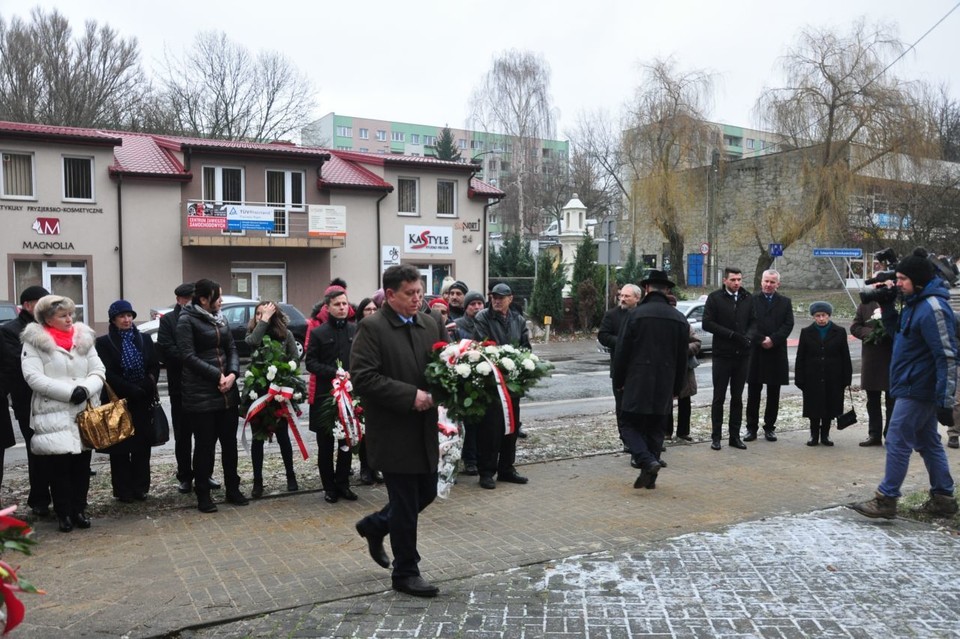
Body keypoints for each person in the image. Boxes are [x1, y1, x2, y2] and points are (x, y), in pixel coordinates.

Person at [352, 264, 446, 598]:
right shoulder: (372, 327)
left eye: (419, 292)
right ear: (390, 295)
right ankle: (405, 573)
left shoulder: (430, 323)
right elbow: (363, 377)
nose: (417, 299)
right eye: (410, 294)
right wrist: (410, 396)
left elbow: (442, 365)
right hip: (393, 430)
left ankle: (375, 525)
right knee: (405, 505)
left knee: (427, 493)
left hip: (425, 429)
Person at [853, 249, 959, 519]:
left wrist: (946, 401)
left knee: (898, 438)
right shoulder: (915, 303)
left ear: (919, 280)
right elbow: (899, 336)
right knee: (928, 442)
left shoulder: (933, 308)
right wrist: (888, 307)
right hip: (910, 383)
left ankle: (887, 499)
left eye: (902, 279)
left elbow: (946, 356)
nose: (896, 283)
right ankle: (943, 498)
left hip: (919, 388)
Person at [20, 295, 105, 532]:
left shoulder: (83, 337)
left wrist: (85, 389)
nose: (69, 319)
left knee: (82, 466)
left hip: (83, 412)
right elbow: (33, 377)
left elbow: (98, 369)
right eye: (63, 315)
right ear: (47, 318)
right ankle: (63, 513)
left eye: (71, 314)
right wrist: (69, 392)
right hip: (53, 414)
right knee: (59, 469)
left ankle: (79, 510)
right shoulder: (34, 342)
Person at [176, 279, 248, 513]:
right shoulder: (186, 320)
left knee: (229, 444)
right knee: (205, 446)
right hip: (202, 394)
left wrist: (233, 374)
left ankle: (233, 489)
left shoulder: (221, 318)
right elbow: (187, 355)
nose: (221, 301)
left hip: (227, 392)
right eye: (217, 297)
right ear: (203, 299)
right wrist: (217, 376)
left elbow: (232, 349)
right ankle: (203, 494)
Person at [612, 271, 689, 490]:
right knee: (656, 428)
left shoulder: (635, 316)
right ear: (667, 291)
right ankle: (650, 476)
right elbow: (682, 358)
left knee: (628, 424)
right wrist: (677, 386)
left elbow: (622, 352)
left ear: (646, 289)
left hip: (637, 380)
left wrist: (619, 380)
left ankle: (647, 461)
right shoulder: (678, 318)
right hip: (665, 381)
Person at [95, 300, 160, 503]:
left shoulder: (143, 339)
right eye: (122, 316)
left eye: (129, 316)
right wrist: (130, 389)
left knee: (142, 446)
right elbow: (107, 373)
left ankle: (140, 487)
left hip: (143, 400)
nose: (127, 319)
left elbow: (153, 366)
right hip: (118, 401)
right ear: (113, 319)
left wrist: (147, 385)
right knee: (121, 449)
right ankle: (123, 489)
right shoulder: (105, 343)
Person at [158, 283, 220, 494]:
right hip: (181, 387)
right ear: (180, 299)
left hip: (204, 385)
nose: (193, 302)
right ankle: (185, 476)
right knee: (183, 435)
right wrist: (193, 360)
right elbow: (168, 349)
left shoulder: (204, 317)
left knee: (207, 435)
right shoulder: (168, 320)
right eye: (189, 298)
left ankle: (206, 473)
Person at [471, 282, 531, 489]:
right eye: (493, 297)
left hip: (512, 383)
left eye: (501, 297)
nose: (496, 300)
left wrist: (521, 365)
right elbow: (483, 344)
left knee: (511, 427)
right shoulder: (483, 317)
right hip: (492, 382)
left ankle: (507, 468)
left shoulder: (518, 320)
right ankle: (486, 472)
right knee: (490, 429)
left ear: (510, 299)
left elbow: (525, 347)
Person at [0, 285, 50, 513]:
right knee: (37, 451)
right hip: (28, 401)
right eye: (43, 302)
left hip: (56, 398)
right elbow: (16, 364)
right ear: (29, 305)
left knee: (57, 452)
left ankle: (61, 497)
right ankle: (39, 500)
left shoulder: (51, 325)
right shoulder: (10, 331)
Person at [306, 289, 358, 504]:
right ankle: (329, 487)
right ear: (328, 307)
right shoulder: (319, 333)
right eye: (337, 304)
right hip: (325, 397)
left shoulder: (355, 330)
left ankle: (343, 483)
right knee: (326, 445)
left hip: (349, 396)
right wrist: (333, 372)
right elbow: (310, 363)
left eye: (345, 304)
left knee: (347, 442)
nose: (342, 308)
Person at [245, 301, 301, 498]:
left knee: (283, 436)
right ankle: (258, 481)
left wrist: (284, 373)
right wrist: (263, 322)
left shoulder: (286, 335)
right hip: (259, 393)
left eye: (266, 313)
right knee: (258, 438)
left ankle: (291, 476)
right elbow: (252, 344)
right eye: (258, 314)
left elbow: (295, 358)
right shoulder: (254, 334)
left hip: (279, 392)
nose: (262, 317)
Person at [702, 267, 753, 450]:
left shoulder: (747, 297)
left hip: (742, 355)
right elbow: (707, 323)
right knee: (719, 397)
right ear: (725, 280)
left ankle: (734, 436)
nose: (737, 283)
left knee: (737, 397)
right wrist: (731, 335)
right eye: (733, 280)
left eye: (739, 279)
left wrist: (748, 336)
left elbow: (754, 321)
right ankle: (716, 436)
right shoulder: (715, 298)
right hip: (723, 354)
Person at [744, 270, 794, 443]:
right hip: (756, 352)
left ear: (778, 284)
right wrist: (760, 339)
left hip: (776, 351)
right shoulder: (751, 300)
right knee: (753, 392)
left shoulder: (785, 302)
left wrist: (773, 339)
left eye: (772, 282)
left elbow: (788, 324)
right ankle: (751, 428)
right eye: (766, 281)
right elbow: (747, 323)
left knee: (774, 393)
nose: (768, 285)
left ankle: (770, 428)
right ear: (761, 282)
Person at [794, 302, 853, 446]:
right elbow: (800, 356)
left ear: (829, 316)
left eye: (824, 315)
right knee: (814, 407)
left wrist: (846, 378)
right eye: (817, 316)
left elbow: (845, 356)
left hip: (833, 376)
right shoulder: (806, 332)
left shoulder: (838, 331)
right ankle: (814, 435)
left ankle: (825, 435)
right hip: (812, 376)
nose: (821, 319)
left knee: (830, 406)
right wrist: (799, 378)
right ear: (813, 317)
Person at [598, 284, 642, 452]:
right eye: (621, 296)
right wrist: (622, 342)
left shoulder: (642, 313)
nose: (622, 299)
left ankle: (640, 438)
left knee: (638, 406)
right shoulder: (612, 315)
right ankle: (626, 439)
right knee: (622, 406)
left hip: (639, 369)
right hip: (620, 368)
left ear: (637, 298)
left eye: (627, 296)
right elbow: (603, 335)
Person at [849, 299, 894, 446]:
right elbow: (855, 327)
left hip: (892, 357)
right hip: (872, 359)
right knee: (872, 400)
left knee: (892, 401)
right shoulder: (865, 305)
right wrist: (873, 333)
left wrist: (889, 331)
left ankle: (891, 435)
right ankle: (874, 434)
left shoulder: (896, 302)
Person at [453, 290, 486, 474]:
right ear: (466, 307)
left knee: (483, 422)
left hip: (483, 378)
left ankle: (482, 457)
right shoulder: (457, 326)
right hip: (464, 380)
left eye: (479, 303)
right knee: (468, 423)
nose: (476, 307)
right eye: (472, 304)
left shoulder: (487, 322)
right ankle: (470, 459)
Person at [664, 294, 701, 444]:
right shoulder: (661, 323)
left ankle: (683, 432)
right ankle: (666, 432)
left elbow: (696, 342)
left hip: (685, 368)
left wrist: (683, 350)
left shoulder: (683, 322)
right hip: (666, 368)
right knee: (666, 402)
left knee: (684, 401)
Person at [353, 296, 382, 485]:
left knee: (378, 432)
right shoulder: (357, 332)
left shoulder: (382, 332)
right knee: (364, 432)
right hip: (362, 388)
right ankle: (365, 468)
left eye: (374, 309)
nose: (371, 313)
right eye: (367, 310)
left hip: (380, 386)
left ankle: (377, 466)